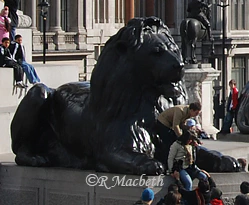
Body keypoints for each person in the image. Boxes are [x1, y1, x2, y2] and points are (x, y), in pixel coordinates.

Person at [156, 102, 202, 167]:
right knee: (169, 143)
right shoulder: (180, 111)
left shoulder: (188, 113)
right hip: (163, 123)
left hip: (170, 125)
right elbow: (176, 125)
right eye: (196, 113)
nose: (196, 115)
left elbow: (182, 125)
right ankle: (165, 163)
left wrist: (189, 129)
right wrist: (181, 137)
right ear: (192, 110)